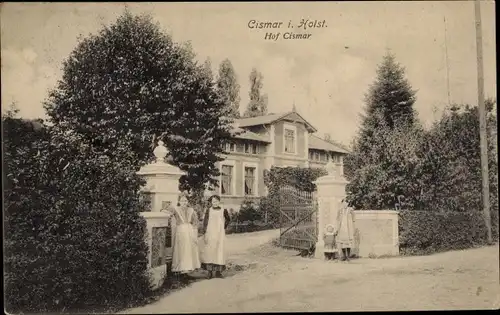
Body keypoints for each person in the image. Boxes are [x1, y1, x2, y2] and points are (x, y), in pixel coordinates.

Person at [162, 192, 201, 278]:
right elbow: (164, 211)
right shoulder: (175, 208)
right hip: (180, 230)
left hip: (189, 230)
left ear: (188, 201)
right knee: (181, 249)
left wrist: (194, 232)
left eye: (186, 201)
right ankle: (181, 270)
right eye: (182, 201)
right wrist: (169, 216)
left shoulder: (191, 210)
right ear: (179, 201)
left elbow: (195, 222)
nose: (184, 202)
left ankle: (187, 270)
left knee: (188, 250)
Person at [201, 195, 231, 279]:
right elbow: (205, 222)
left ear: (219, 201)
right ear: (211, 202)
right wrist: (205, 232)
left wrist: (223, 227)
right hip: (210, 233)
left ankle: (218, 272)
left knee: (219, 251)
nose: (215, 203)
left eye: (216, 201)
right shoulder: (208, 210)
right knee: (210, 251)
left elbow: (228, 219)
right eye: (213, 201)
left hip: (220, 234)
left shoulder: (223, 210)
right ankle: (210, 272)